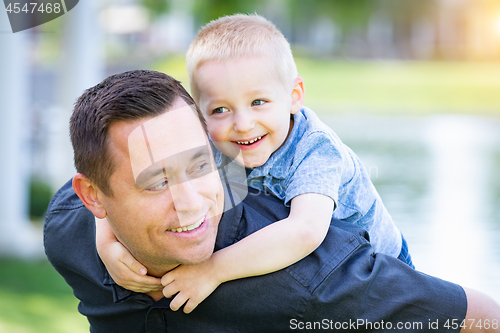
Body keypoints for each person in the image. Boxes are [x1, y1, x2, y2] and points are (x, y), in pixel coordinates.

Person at [44, 69, 500, 333]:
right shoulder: (71, 231)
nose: (190, 204)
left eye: (201, 166)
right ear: (95, 199)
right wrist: (105, 240)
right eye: (155, 182)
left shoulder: (312, 280)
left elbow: (484, 319)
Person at [97, 14, 412, 313]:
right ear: (199, 114)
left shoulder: (316, 149)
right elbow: (111, 182)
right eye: (220, 109)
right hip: (313, 266)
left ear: (294, 95)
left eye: (258, 102)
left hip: (385, 267)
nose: (243, 124)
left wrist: (212, 271)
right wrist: (108, 247)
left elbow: (304, 231)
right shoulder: (211, 138)